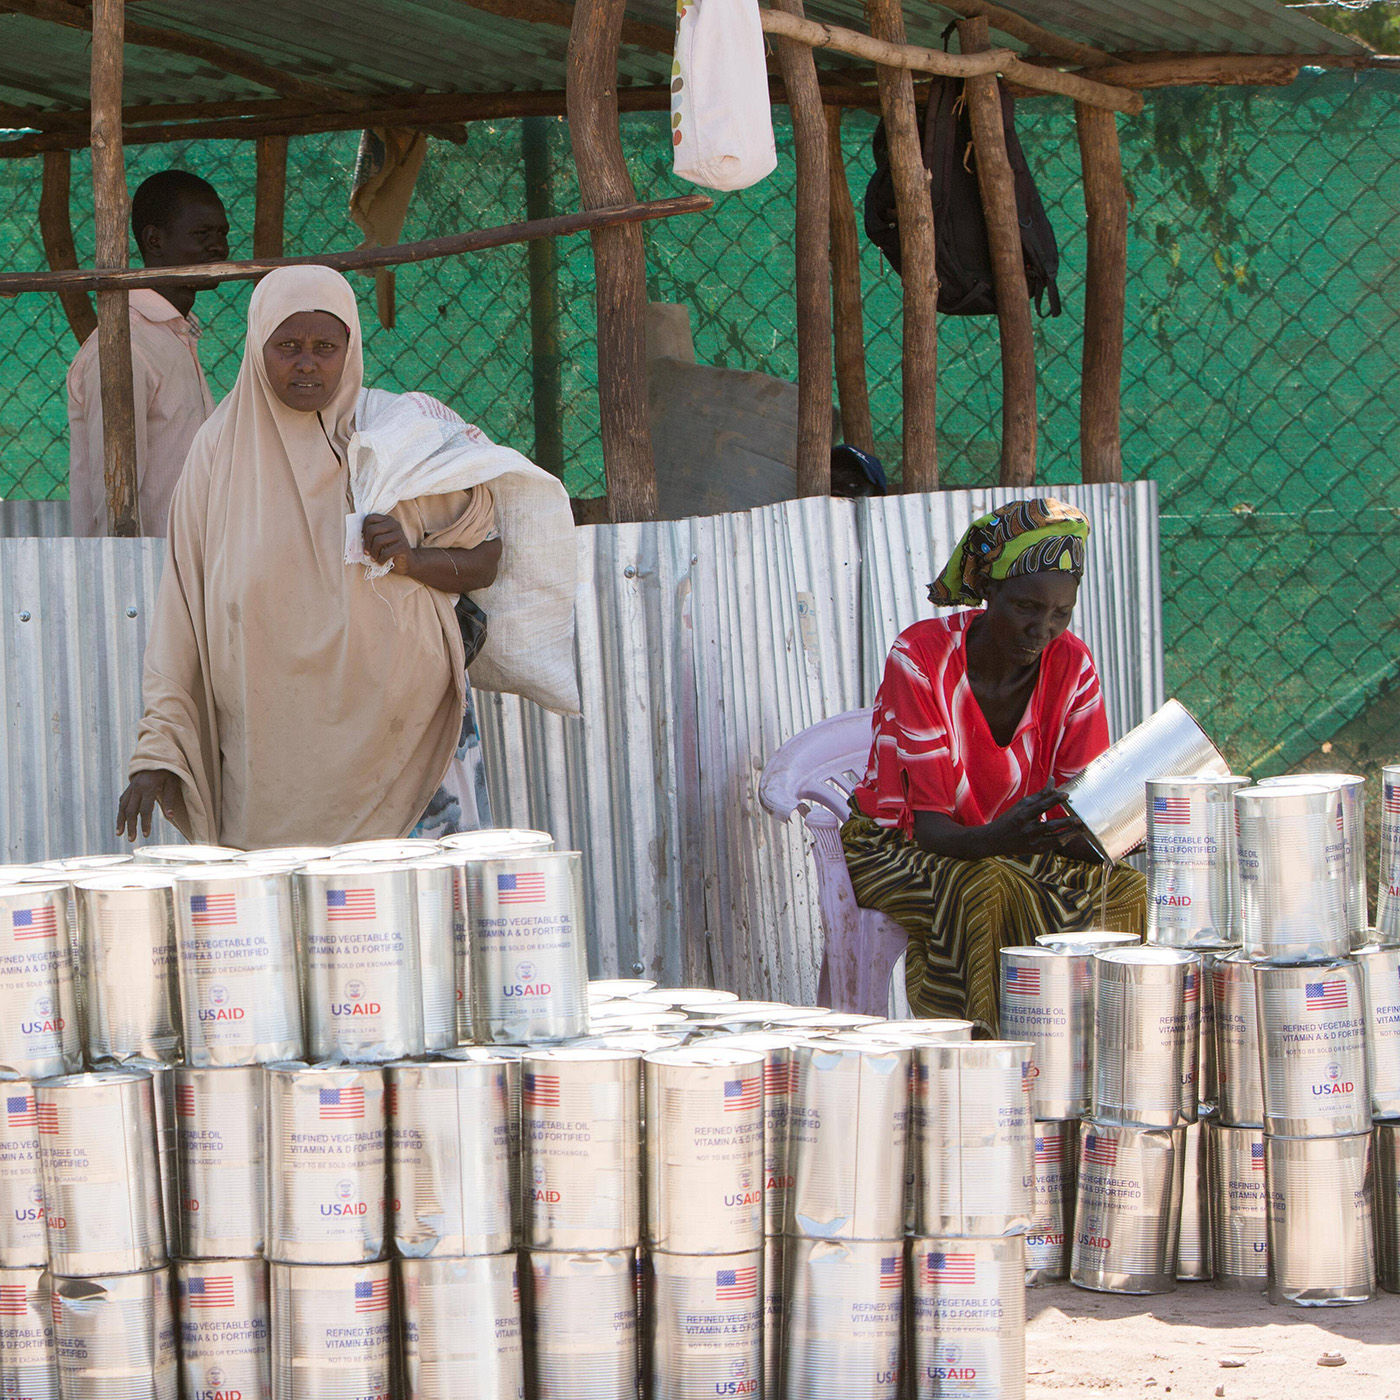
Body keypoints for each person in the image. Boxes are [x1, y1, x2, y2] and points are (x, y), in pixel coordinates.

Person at [114, 264, 570, 849]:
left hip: (406, 743)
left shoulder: (399, 435)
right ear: (258, 347)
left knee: (421, 919)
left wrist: (409, 560)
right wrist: (159, 748)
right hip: (275, 756)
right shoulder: (218, 452)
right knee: (295, 921)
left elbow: (485, 559)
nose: (307, 363)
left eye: (325, 347)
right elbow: (181, 608)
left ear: (350, 350)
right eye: (288, 347)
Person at [841, 497, 1146, 1031]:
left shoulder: (1072, 665)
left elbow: (1076, 811)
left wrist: (1119, 831)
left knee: (1126, 889)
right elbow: (934, 831)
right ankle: (980, 1060)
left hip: (1012, 841)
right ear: (989, 591)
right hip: (899, 844)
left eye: (1060, 613)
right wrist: (1010, 837)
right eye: (1027, 607)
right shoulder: (922, 657)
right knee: (988, 887)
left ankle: (1089, 1055)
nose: (1043, 628)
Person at [67, 170, 230, 537]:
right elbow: (111, 499)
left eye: (222, 234)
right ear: (154, 240)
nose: (218, 247)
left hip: (187, 566)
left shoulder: (174, 334)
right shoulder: (127, 346)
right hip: (142, 575)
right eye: (202, 235)